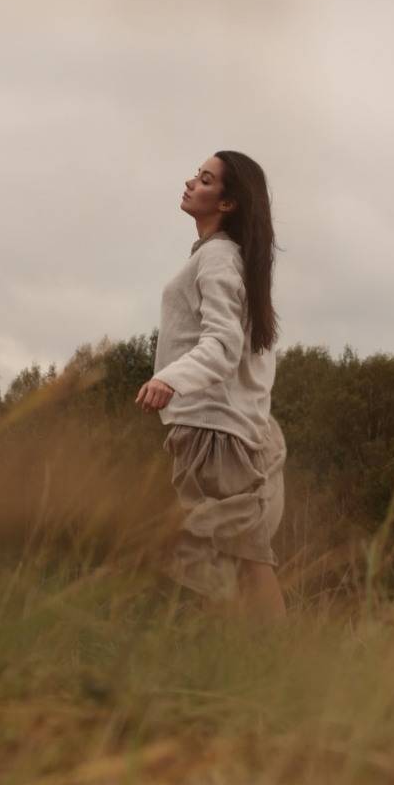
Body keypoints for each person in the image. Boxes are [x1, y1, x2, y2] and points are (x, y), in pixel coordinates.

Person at [135, 151, 287, 621]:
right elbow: (253, 362)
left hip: (215, 435)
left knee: (244, 560)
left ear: (227, 203)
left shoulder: (219, 258)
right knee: (228, 562)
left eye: (204, 180)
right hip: (224, 430)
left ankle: (285, 657)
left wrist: (169, 379)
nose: (190, 183)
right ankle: (240, 655)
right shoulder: (229, 259)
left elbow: (222, 346)